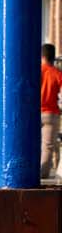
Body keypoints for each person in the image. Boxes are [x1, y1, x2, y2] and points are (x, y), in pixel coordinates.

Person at [43, 43, 62, 179]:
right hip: (51, 113)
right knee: (47, 146)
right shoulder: (57, 73)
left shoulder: (35, 71)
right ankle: (42, 174)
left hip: (33, 112)